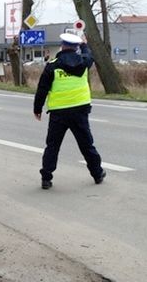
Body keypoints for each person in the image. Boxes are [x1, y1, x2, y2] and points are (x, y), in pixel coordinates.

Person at [33, 33, 106, 190]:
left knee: (52, 146)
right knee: (87, 145)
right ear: (76, 47)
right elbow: (89, 54)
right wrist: (85, 44)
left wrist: (37, 109)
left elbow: (42, 89)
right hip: (80, 112)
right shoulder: (84, 62)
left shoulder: (52, 65)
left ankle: (46, 178)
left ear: (62, 45)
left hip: (58, 113)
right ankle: (97, 174)